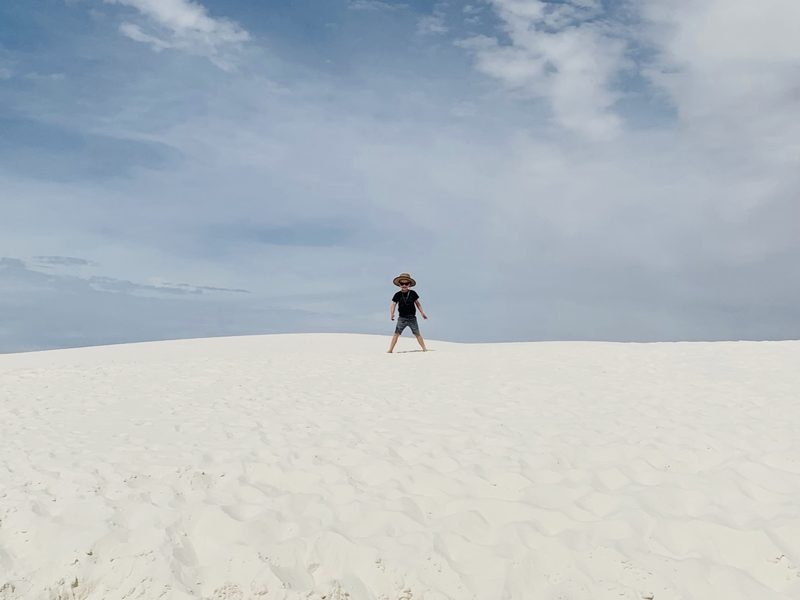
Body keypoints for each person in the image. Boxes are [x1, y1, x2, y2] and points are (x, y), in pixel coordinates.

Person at [387, 272, 428, 353]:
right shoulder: (397, 294)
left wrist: (422, 313)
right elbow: (393, 304)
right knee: (396, 334)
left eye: (406, 283)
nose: (404, 285)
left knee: (417, 334)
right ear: (399, 284)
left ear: (409, 284)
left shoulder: (413, 293)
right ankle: (390, 350)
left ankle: (424, 348)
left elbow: (418, 304)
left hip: (412, 318)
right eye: (402, 283)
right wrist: (392, 314)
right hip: (402, 318)